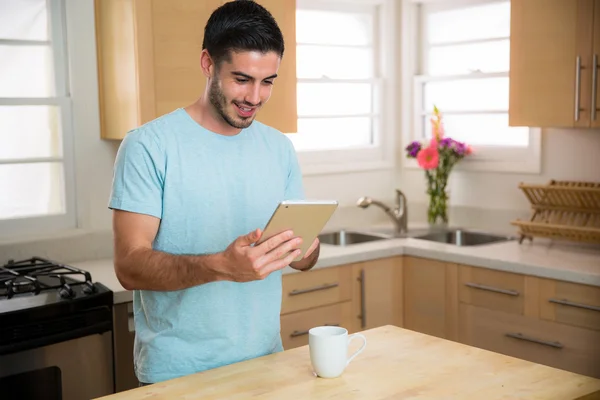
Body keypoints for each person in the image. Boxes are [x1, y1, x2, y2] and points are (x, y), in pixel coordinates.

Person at [108, 0, 320, 386]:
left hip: (265, 364)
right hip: (178, 375)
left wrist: (304, 250)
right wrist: (221, 265)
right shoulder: (149, 146)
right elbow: (128, 265)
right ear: (208, 64)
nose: (255, 97)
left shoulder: (278, 148)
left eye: (267, 81)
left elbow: (302, 258)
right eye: (241, 79)